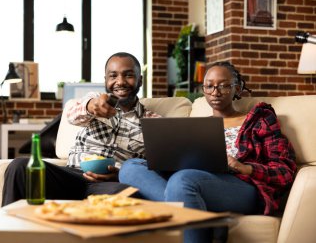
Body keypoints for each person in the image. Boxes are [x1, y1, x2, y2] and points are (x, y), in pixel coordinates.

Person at [119, 61, 297, 243]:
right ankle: (206, 219)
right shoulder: (197, 126)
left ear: (237, 88)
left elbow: (285, 170)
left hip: (242, 186)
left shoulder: (259, 120)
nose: (215, 92)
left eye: (224, 86)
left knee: (183, 180)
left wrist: (245, 167)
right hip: (193, 179)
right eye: (209, 86)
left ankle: (194, 211)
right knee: (130, 168)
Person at [2, 52, 160, 205]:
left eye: (128, 75)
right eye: (113, 76)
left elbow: (155, 168)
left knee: (128, 193)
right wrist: (92, 106)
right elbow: (72, 115)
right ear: (106, 80)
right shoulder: (94, 100)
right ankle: (9, 231)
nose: (120, 81)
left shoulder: (154, 121)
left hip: (110, 184)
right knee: (20, 167)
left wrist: (120, 175)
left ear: (140, 80)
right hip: (71, 176)